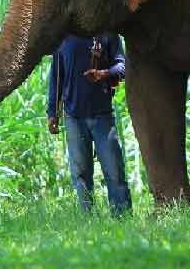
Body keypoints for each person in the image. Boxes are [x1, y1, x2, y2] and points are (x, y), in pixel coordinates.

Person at [47, 33, 132, 214]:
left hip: (103, 115)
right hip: (73, 117)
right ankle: (88, 218)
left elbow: (123, 67)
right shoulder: (64, 34)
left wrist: (103, 74)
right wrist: (52, 113)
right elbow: (56, 76)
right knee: (80, 175)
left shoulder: (107, 32)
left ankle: (122, 217)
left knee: (114, 171)